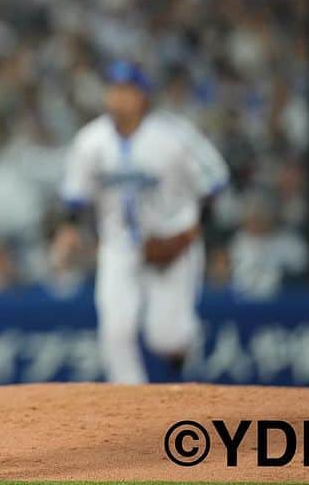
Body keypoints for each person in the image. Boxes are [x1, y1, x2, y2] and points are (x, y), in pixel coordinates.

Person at [51, 62, 229, 384]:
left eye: (126, 90)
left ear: (143, 96)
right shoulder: (91, 140)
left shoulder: (174, 136)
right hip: (119, 245)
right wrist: (68, 233)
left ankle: (181, 365)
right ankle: (129, 404)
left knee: (167, 338)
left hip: (172, 243)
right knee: (115, 330)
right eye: (113, 89)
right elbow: (76, 198)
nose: (118, 97)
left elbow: (214, 182)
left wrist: (191, 232)